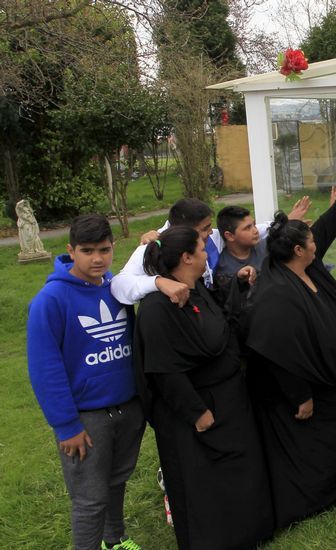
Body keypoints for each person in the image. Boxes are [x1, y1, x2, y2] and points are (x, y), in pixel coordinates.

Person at [132, 226, 273, 549]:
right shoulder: (157, 308)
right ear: (186, 257)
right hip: (198, 408)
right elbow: (163, 369)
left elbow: (219, 318)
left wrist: (237, 284)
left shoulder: (194, 290)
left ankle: (247, 532)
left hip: (228, 398)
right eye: (201, 249)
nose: (206, 255)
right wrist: (197, 412)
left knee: (238, 471)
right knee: (204, 483)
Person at [243, 176, 336, 528]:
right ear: (297, 250)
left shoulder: (305, 265)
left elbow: (321, 233)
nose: (315, 241)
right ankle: (308, 500)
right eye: (308, 239)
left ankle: (329, 487)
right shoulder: (275, 294)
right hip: (306, 393)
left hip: (334, 383)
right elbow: (277, 353)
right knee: (308, 448)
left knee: (331, 443)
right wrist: (302, 397)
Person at [27, 214, 145, 550]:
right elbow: (45, 370)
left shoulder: (116, 289)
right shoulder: (50, 301)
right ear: (70, 250)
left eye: (104, 250)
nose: (97, 258)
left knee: (117, 480)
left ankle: (115, 539)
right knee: (89, 499)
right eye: (87, 250)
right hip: (86, 419)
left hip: (127, 408)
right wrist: (66, 426)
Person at [111, 197, 309, 307]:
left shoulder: (211, 238)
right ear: (183, 231)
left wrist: (285, 222)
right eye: (204, 228)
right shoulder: (153, 246)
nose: (211, 233)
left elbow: (245, 231)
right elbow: (119, 285)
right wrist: (158, 282)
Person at [212, 205, 265, 304]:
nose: (255, 230)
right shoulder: (221, 267)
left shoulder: (266, 247)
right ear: (230, 236)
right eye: (248, 228)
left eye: (254, 224)